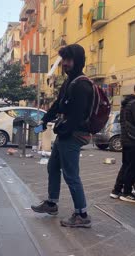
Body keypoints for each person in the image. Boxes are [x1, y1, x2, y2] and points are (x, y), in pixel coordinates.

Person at [31, 44, 93, 228]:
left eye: (69, 60)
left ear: (78, 61)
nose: (65, 64)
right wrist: (44, 121)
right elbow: (58, 105)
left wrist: (62, 130)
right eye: (63, 60)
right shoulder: (69, 82)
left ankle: (82, 214)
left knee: (71, 175)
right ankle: (51, 203)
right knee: (52, 167)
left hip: (73, 134)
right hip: (65, 132)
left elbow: (77, 115)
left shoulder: (82, 85)